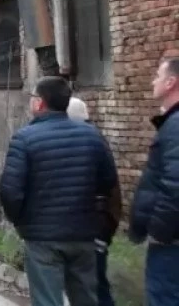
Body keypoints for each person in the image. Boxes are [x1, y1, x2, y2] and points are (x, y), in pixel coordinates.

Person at [0, 76, 119, 306]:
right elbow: (108, 182)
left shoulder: (24, 139)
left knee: (47, 300)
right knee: (86, 298)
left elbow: (10, 191)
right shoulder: (92, 136)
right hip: (83, 233)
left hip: (42, 237)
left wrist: (22, 222)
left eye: (33, 97)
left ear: (40, 103)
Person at [128, 56, 179, 305]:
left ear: (171, 82)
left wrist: (160, 231)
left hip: (171, 245)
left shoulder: (176, 125)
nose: (152, 81)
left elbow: (175, 184)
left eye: (158, 76)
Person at [67, 96, 121, 306]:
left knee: (95, 286)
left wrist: (103, 230)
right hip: (97, 227)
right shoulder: (95, 140)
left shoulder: (89, 144)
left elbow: (107, 189)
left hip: (94, 228)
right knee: (94, 284)